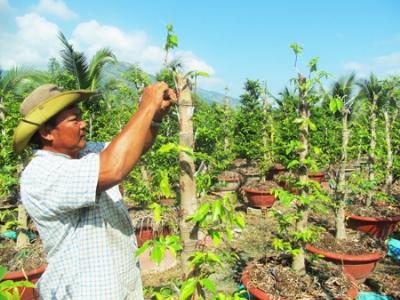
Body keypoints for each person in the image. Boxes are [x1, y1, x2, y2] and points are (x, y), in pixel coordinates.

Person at [13, 82, 175, 299]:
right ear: (46, 132)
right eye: (74, 119)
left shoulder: (87, 152)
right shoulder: (42, 174)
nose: (83, 124)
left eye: (81, 116)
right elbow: (114, 168)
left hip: (119, 286)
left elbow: (133, 148)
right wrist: (146, 107)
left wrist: (155, 116)